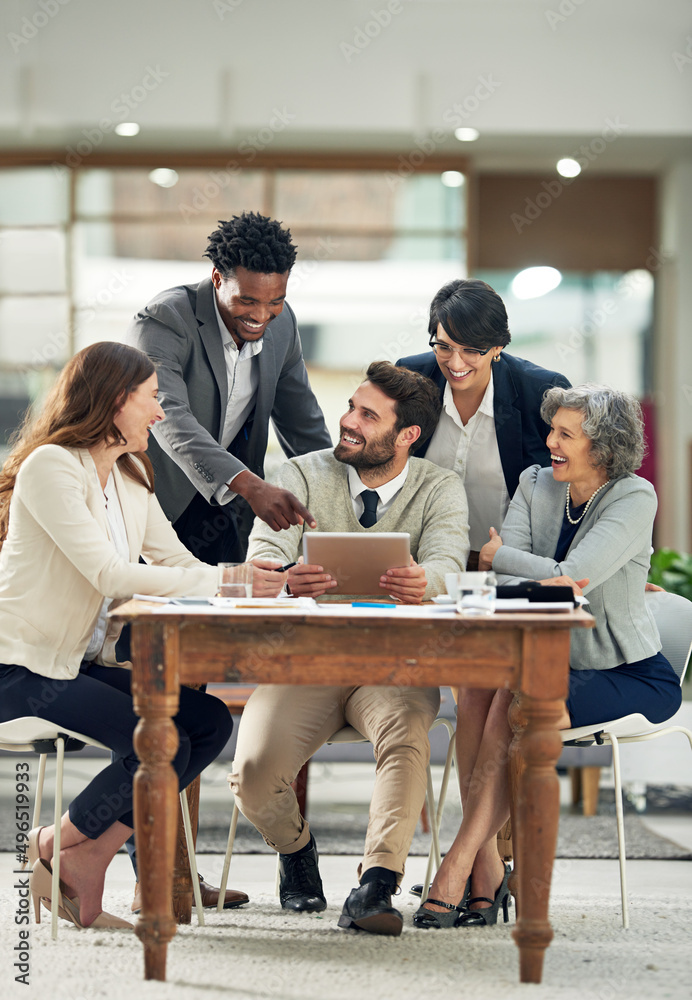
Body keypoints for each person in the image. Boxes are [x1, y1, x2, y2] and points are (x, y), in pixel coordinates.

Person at [0, 342, 261, 929]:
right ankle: (53, 845)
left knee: (207, 721)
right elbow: (109, 573)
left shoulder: (127, 477)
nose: (160, 414)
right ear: (118, 401)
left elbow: (173, 560)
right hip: (21, 666)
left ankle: (82, 857)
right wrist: (229, 579)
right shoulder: (52, 467)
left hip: (74, 661)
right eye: (152, 400)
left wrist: (250, 579)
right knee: (157, 740)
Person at [412, 383, 682, 930]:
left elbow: (575, 576)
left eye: (566, 434)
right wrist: (521, 566)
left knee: (518, 703)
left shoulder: (634, 497)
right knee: (475, 687)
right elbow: (512, 578)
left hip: (623, 671)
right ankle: (487, 867)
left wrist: (503, 555)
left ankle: (460, 862)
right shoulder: (535, 483)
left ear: (603, 447)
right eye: (552, 428)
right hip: (538, 658)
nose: (550, 442)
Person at [230, 361, 470, 936]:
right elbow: (262, 552)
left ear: (407, 435)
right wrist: (286, 575)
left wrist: (426, 581)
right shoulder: (302, 474)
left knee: (407, 738)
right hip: (307, 661)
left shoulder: (440, 488)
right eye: (350, 408)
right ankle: (297, 851)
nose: (348, 422)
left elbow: (448, 561)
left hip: (396, 665)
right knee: (254, 775)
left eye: (367, 415)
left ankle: (376, 885)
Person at [126, 210, 332, 566]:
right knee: (144, 613)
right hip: (158, 496)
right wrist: (251, 485)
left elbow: (303, 425)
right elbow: (169, 415)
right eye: (248, 301)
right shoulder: (165, 318)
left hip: (227, 510)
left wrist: (337, 493)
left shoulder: (283, 328)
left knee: (224, 609)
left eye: (275, 301)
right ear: (218, 279)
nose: (262, 316)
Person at [398, 277, 570, 569]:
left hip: (507, 565)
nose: (455, 363)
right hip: (420, 562)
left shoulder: (541, 392)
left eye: (471, 350)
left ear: (497, 346)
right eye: (444, 347)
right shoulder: (412, 377)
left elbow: (581, 482)